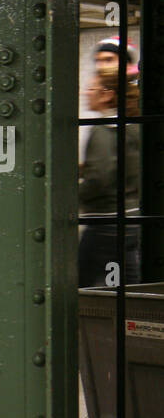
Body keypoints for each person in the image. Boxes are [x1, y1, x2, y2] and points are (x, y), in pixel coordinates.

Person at [79, 38, 141, 288]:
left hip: (104, 220)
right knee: (131, 287)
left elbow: (101, 176)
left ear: (107, 95)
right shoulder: (135, 122)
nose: (86, 92)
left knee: (82, 289)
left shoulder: (104, 128)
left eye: (91, 89)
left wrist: (73, 195)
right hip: (132, 217)